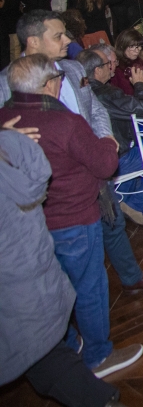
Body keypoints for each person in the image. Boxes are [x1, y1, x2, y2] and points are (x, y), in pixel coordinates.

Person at [0, 55, 143, 377]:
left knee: (55, 288)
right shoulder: (64, 122)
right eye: (58, 79)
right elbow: (104, 166)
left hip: (32, 224)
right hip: (75, 217)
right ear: (48, 84)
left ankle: (66, 345)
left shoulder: (4, 118)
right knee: (89, 287)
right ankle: (98, 356)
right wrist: (107, 143)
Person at [0, 127, 123, 405]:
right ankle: (92, 354)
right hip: (36, 282)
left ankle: (87, 352)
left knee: (52, 363)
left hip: (19, 295)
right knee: (54, 361)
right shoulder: (20, 151)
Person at [77, 47, 143, 225]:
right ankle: (134, 204)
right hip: (116, 158)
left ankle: (121, 199)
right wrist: (139, 84)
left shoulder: (80, 91)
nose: (113, 67)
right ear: (97, 70)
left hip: (94, 159)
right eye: (108, 64)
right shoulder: (106, 93)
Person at [109, 28, 143, 95]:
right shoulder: (116, 65)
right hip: (125, 101)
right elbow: (114, 94)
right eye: (132, 46)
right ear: (122, 46)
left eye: (139, 46)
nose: (137, 50)